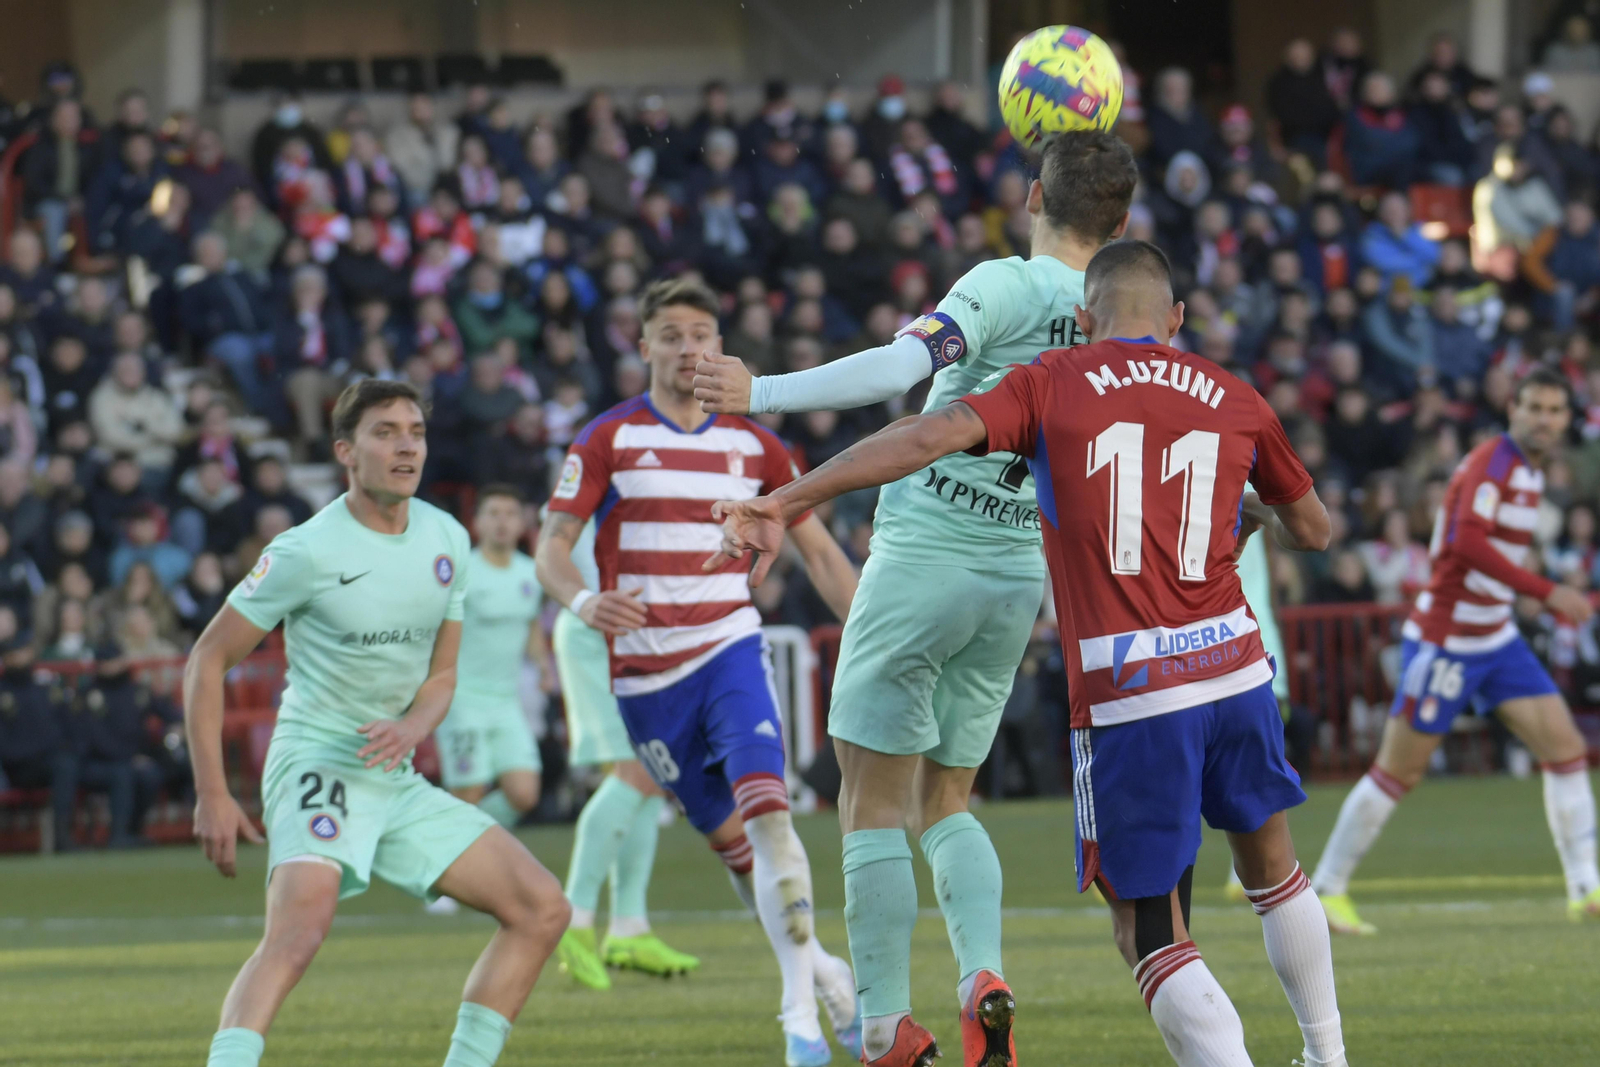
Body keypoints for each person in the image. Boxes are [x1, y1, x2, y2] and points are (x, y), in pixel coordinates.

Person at [709, 239, 1348, 1067]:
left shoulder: (1055, 381)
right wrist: (1250, 508)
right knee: (1275, 870)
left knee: (1147, 927)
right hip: (1234, 667)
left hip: (1131, 688)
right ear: (1178, 318)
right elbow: (1317, 530)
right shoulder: (1235, 394)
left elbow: (918, 437)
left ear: (1084, 320)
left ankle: (888, 1023)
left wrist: (786, 496)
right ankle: (1326, 1054)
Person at [693, 130, 1138, 1067]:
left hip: (925, 554)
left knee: (871, 798)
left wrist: (760, 390)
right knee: (950, 797)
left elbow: (902, 373)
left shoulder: (1006, 285)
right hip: (1019, 573)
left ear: (1030, 197)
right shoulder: (1116, 317)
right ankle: (983, 971)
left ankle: (888, 1026)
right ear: (1123, 221)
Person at [184, 379, 569, 1067]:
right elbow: (206, 659)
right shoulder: (306, 550)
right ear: (345, 452)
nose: (406, 446)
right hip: (317, 761)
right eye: (386, 431)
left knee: (543, 908)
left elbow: (442, 675)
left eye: (415, 431)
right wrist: (214, 792)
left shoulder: (449, 537)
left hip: (392, 768)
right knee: (298, 934)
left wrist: (415, 726)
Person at [535, 278, 862, 1067]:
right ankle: (823, 972)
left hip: (728, 648)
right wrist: (583, 600)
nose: (690, 349)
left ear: (721, 346)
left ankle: (798, 1021)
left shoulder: (755, 443)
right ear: (643, 344)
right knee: (741, 856)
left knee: (771, 815)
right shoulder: (608, 437)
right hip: (647, 685)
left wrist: (869, 634)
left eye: (703, 335)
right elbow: (550, 545)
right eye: (672, 335)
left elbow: (818, 550)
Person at [1310, 367, 1600, 931]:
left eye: (1554, 410)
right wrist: (1545, 590)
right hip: (1447, 642)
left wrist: (1520, 594)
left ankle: (1585, 887)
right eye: (1534, 407)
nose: (1544, 419)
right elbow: (1464, 542)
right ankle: (1327, 887)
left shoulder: (1528, 471)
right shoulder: (1495, 462)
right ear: (1512, 409)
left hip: (1495, 635)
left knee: (1565, 749)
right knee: (1399, 771)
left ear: (1567, 419)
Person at [550, 514, 701, 987]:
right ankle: (573, 922)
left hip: (638, 636)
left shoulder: (638, 463)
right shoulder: (594, 470)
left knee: (652, 779)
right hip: (602, 635)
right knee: (637, 772)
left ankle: (628, 927)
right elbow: (553, 548)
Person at [426, 485, 550, 913]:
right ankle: (444, 884)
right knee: (469, 793)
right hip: (462, 699)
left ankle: (468, 844)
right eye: (493, 513)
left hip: (505, 701)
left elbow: (531, 625)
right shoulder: (464, 571)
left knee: (524, 794)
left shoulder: (530, 572)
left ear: (522, 523)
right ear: (476, 523)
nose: (502, 521)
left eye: (510, 513)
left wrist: (545, 665)